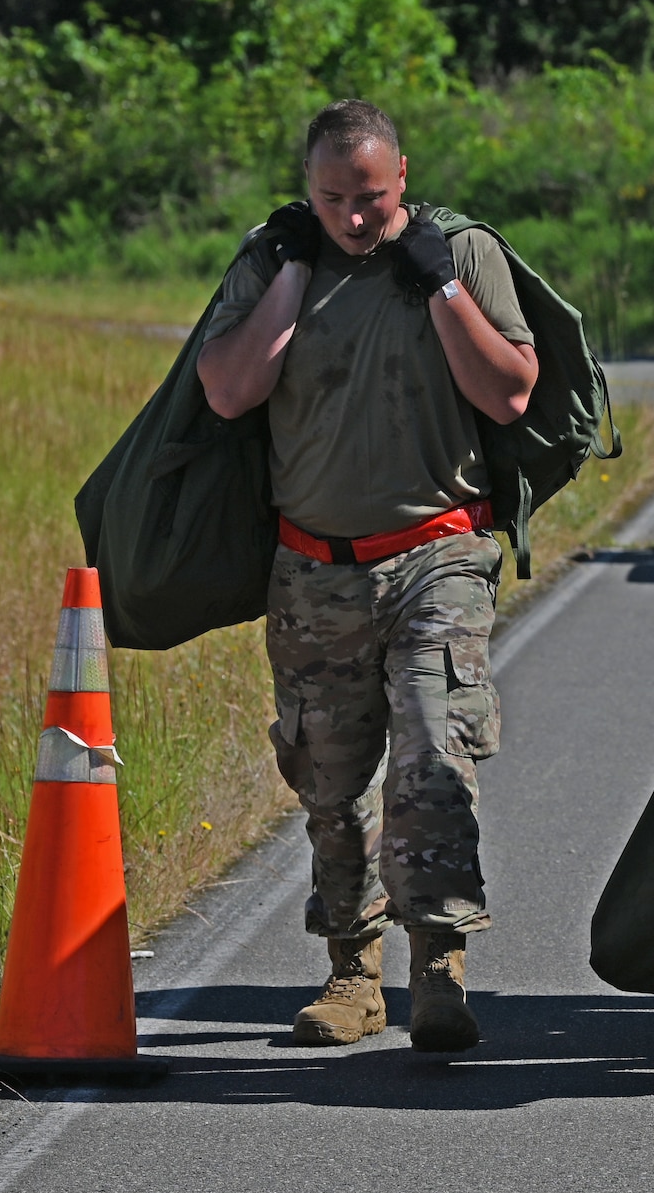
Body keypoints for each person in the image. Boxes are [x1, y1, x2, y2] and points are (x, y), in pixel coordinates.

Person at [197, 99, 539, 1053]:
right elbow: (228, 389)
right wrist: (297, 271)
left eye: (371, 196)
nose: (354, 214)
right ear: (309, 187)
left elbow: (510, 391)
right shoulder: (276, 261)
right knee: (330, 781)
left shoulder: (459, 255)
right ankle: (353, 972)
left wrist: (438, 287)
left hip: (435, 553)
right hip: (313, 570)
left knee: (433, 758)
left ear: (403, 178)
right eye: (333, 196)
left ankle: (438, 966)